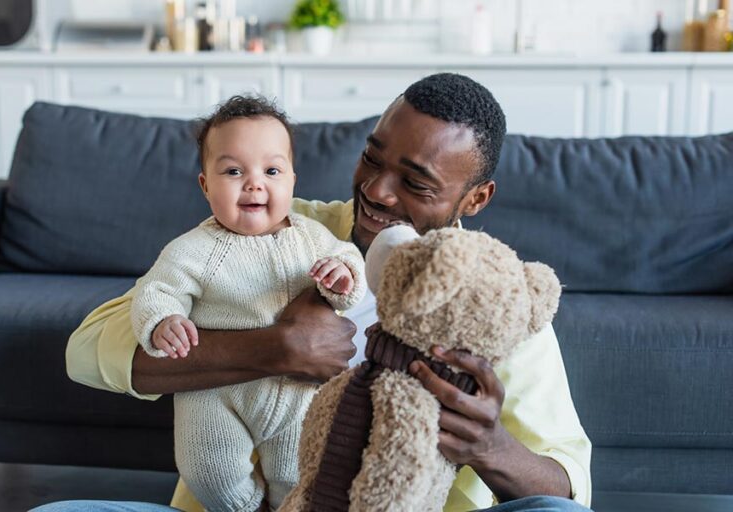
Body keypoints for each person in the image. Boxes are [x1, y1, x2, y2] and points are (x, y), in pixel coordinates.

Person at [39, 73, 592, 512]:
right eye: (373, 158)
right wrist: (273, 348)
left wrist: (486, 445)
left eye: (416, 183)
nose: (376, 191)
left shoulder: (497, 300)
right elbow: (87, 351)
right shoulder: (280, 228)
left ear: (476, 199)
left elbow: (568, 487)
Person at [130, 95, 365, 512]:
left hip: (297, 393)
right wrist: (162, 320)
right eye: (234, 171)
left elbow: (350, 267)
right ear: (205, 185)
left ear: (292, 181)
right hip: (214, 391)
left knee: (299, 473)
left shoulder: (311, 238)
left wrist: (341, 277)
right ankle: (247, 509)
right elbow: (156, 290)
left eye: (271, 171)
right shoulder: (194, 249)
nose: (254, 183)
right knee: (207, 470)